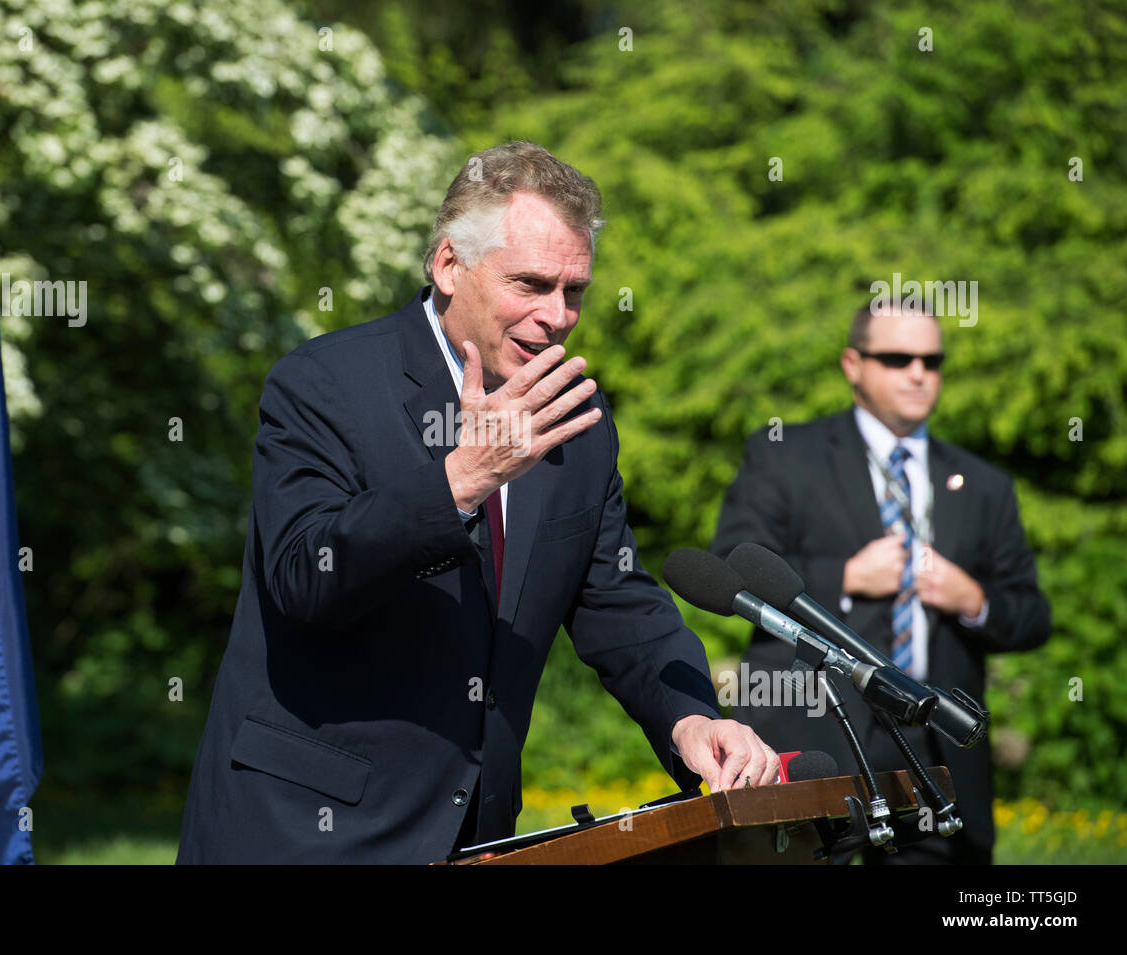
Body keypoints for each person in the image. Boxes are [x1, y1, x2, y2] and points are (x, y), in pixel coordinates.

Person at [177, 142, 779, 864]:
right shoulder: (324, 383)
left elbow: (617, 600)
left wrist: (690, 720)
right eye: (531, 283)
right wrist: (462, 480)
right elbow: (307, 578)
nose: (557, 315)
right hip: (305, 833)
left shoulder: (575, 421)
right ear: (448, 266)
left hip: (480, 840)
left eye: (575, 290)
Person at [711, 302, 1051, 864]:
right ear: (853, 363)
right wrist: (842, 577)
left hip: (933, 752)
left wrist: (975, 601)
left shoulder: (985, 484)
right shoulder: (783, 455)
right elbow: (731, 568)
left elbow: (1032, 616)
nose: (918, 372)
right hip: (813, 736)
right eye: (897, 358)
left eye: (931, 360)